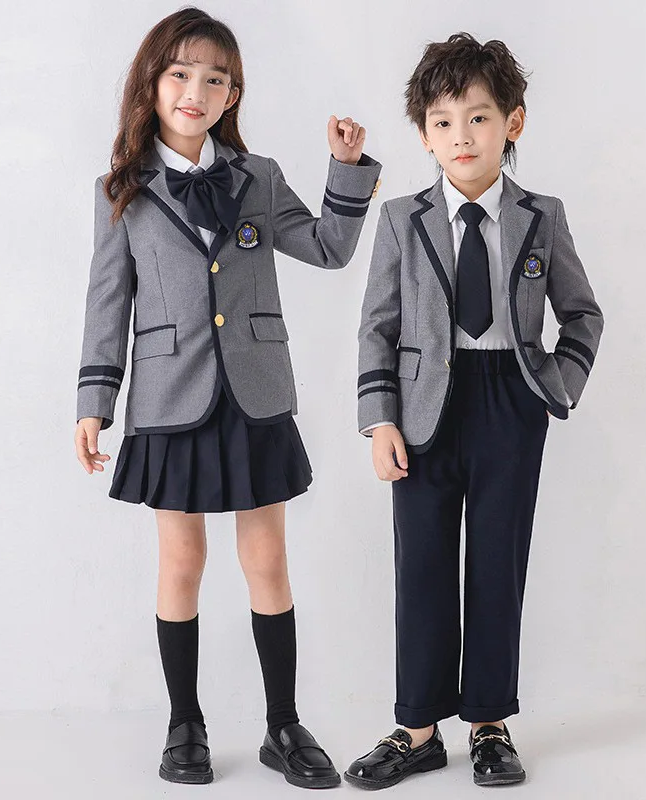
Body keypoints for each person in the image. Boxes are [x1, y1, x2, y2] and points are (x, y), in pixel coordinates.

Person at [73, 7, 381, 788]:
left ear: (232, 95)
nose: (196, 90)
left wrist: (346, 169)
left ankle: (284, 725)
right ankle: (185, 725)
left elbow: (328, 248)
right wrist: (94, 400)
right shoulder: (122, 190)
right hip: (169, 396)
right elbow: (108, 301)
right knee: (182, 563)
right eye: (180, 73)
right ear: (152, 82)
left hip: (255, 392)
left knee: (267, 559)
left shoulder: (258, 177)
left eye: (215, 79)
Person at [346, 32, 603, 789]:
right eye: (443, 121)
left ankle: (489, 723)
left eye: (479, 117)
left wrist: (554, 386)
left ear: (512, 123)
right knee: (421, 567)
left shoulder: (541, 216)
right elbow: (377, 327)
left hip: (509, 400)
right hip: (423, 407)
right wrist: (380, 419)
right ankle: (418, 729)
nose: (462, 135)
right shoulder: (403, 218)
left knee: (497, 565)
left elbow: (582, 314)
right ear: (424, 134)